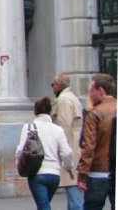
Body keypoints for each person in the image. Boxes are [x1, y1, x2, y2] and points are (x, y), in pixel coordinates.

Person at [17, 97, 74, 210]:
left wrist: (19, 166)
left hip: (36, 173)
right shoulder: (58, 129)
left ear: (35, 112)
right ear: (50, 111)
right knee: (43, 205)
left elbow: (20, 151)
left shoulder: (28, 128)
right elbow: (66, 153)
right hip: (54, 175)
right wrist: (68, 167)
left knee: (43, 206)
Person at [77, 73, 116, 210]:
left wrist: (82, 175)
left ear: (100, 91)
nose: (89, 95)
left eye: (91, 91)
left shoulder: (94, 114)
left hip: (98, 172)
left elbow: (88, 146)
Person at [51, 73, 84, 210]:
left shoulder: (63, 100)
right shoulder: (72, 98)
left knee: (73, 188)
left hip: (70, 149)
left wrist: (63, 152)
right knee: (74, 189)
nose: (52, 87)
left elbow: (63, 128)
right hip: (74, 147)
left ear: (58, 85)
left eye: (53, 84)